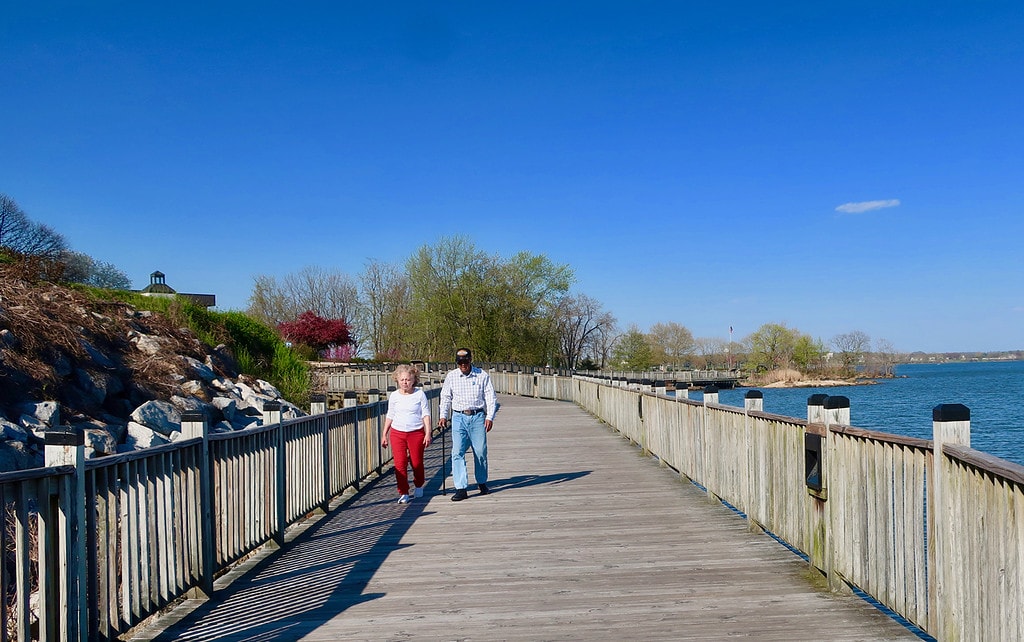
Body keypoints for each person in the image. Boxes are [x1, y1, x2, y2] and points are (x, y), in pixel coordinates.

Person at [439, 348, 497, 501]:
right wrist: (443, 416)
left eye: (465, 361)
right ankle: (461, 487)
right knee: (457, 452)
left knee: (480, 451)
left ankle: (482, 482)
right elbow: (445, 397)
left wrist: (490, 417)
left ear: (471, 360)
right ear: (456, 362)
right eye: (460, 362)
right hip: (458, 416)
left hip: (477, 416)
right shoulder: (451, 376)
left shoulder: (482, 375)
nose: (463, 365)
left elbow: (491, 397)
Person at [381, 364, 432, 504]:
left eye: (408, 380)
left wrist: (428, 433)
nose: (405, 382)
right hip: (397, 433)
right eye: (402, 379)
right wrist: (384, 434)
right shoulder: (394, 396)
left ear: (414, 380)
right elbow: (390, 415)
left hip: (416, 432)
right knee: (400, 463)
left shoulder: (419, 394)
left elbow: (426, 415)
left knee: (416, 462)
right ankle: (403, 492)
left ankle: (419, 484)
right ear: (397, 380)